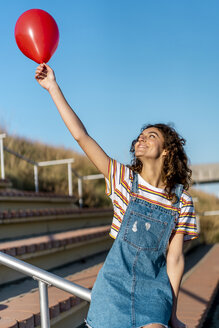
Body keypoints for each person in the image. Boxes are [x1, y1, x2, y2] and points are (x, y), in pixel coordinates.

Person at [35, 63, 198, 328]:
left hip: (155, 295)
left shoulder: (181, 201)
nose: (140, 140)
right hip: (111, 294)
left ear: (167, 150)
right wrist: (53, 87)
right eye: (139, 136)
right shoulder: (122, 180)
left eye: (151, 136)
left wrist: (173, 313)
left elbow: (175, 259)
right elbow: (81, 136)